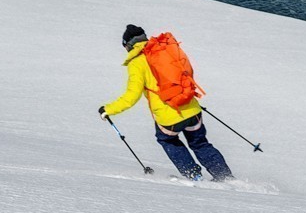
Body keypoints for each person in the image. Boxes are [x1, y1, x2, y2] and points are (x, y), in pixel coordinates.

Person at [99, 24, 232, 180]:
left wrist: (108, 109)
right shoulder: (165, 52)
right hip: (191, 108)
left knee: (167, 139)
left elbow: (132, 96)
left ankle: (194, 175)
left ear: (128, 45)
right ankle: (224, 176)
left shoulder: (137, 63)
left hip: (168, 117)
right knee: (200, 143)